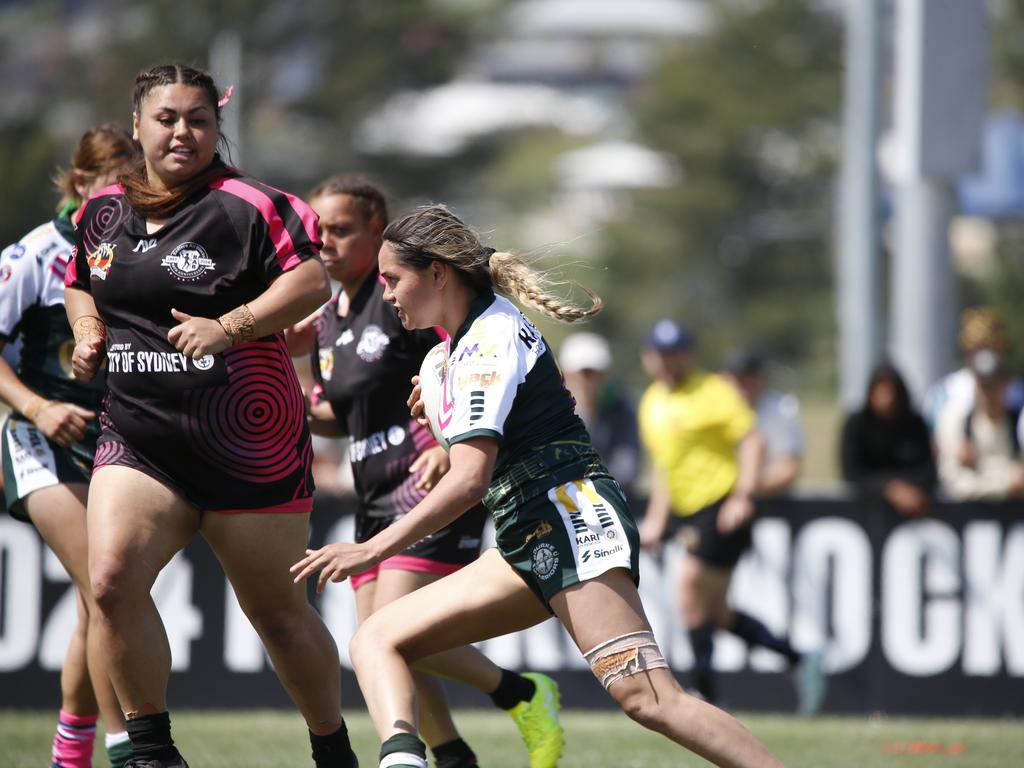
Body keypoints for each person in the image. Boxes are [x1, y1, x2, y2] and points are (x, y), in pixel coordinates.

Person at [292, 204, 784, 768]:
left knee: (649, 701)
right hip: (526, 534)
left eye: (394, 279)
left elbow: (471, 478)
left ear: (437, 273)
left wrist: (373, 548)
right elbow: (481, 449)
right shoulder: (444, 355)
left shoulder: (488, 338)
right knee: (376, 639)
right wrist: (441, 422)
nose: (388, 293)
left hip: (572, 518)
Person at [63, 64, 353, 768]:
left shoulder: (252, 205)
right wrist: (87, 332)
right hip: (138, 440)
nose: (183, 132)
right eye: (167, 118)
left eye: (198, 118)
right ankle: (152, 751)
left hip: (247, 447)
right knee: (108, 584)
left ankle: (332, 749)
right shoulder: (101, 213)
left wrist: (234, 325)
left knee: (279, 619)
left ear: (216, 127)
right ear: (137, 125)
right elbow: (78, 282)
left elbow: (313, 277)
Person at [288, 175, 563, 768]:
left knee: (389, 632)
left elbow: (460, 370)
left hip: (423, 486)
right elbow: (338, 415)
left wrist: (445, 442)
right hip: (372, 490)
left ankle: (427, 743)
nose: (327, 243)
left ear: (376, 231)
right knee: (383, 647)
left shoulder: (409, 303)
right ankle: (457, 751)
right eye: (319, 232)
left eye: (341, 229)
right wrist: (296, 367)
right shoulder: (330, 317)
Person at [1, 123, 138, 768]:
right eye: (117, 183)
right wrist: (38, 406)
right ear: (81, 184)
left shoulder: (135, 251)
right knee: (106, 589)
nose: (129, 196)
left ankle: (69, 752)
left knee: (99, 599)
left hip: (110, 443)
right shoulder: (30, 256)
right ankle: (128, 749)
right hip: (36, 437)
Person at [636, 320, 824, 715]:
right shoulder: (651, 402)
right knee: (716, 613)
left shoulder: (713, 391)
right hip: (689, 512)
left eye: (676, 353)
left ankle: (707, 695)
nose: (668, 362)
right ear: (648, 358)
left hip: (721, 504)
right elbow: (666, 468)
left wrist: (742, 495)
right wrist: (656, 519)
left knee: (686, 587)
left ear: (689, 354)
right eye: (661, 354)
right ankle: (797, 659)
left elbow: (752, 440)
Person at [840, 363, 937, 517]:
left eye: (891, 393)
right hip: (866, 512)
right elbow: (852, 472)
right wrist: (890, 489)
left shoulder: (915, 425)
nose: (887, 399)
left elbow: (928, 470)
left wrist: (911, 491)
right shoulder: (857, 424)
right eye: (881, 393)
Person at [558, 331, 641, 501]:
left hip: (611, 499)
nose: (589, 380)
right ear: (565, 372)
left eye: (596, 373)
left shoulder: (621, 410)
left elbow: (627, 467)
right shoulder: (551, 412)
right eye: (584, 372)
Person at [934, 348, 1024, 501]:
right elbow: (952, 482)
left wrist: (979, 467)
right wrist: (1007, 483)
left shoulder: (1020, 422)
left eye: (994, 385)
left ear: (1006, 385)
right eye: (984, 386)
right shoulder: (956, 422)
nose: (989, 394)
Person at [922, 307, 1024, 432]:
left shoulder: (1019, 393)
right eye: (978, 348)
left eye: (990, 347)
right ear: (967, 352)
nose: (984, 355)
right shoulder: (944, 393)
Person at [722, 349, 803, 496]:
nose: (744, 386)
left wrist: (744, 489)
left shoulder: (783, 409)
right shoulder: (712, 409)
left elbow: (788, 468)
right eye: (738, 379)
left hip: (772, 498)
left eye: (749, 378)